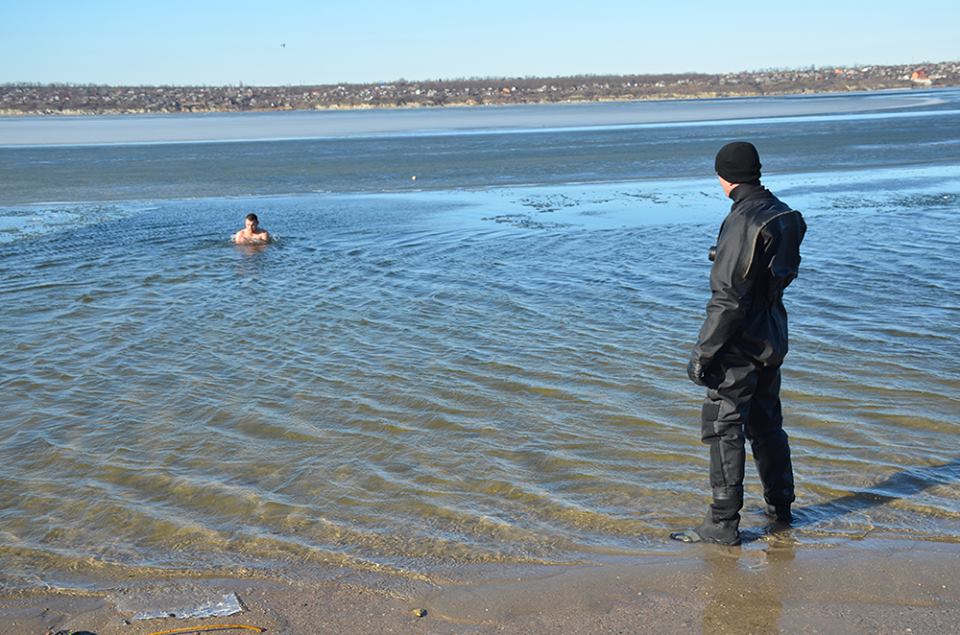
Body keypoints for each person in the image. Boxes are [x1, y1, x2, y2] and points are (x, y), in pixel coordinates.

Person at [671, 141, 806, 546]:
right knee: (768, 426)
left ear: (724, 176)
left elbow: (728, 299)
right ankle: (781, 509)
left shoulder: (743, 220)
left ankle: (723, 524)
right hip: (772, 334)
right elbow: (774, 275)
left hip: (740, 343)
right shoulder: (787, 215)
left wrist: (703, 353)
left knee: (723, 425)